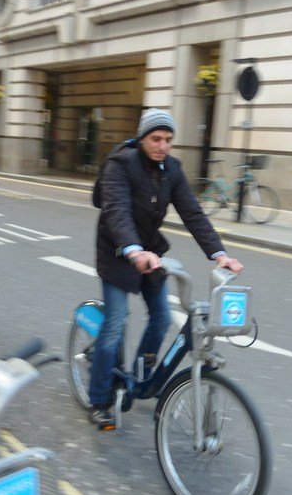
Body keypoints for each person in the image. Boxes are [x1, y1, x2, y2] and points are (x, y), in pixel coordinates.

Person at [90, 108, 242, 430]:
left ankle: (141, 377)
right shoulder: (121, 165)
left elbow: (192, 213)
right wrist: (133, 251)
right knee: (116, 322)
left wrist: (219, 255)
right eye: (156, 139)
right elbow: (116, 211)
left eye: (168, 139)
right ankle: (100, 399)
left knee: (161, 319)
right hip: (118, 252)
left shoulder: (171, 168)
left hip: (152, 256)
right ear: (142, 138)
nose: (163, 145)